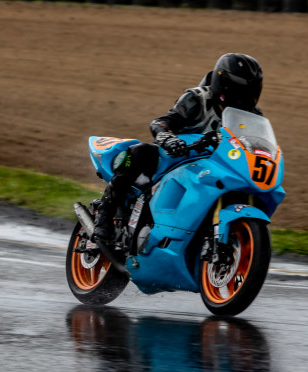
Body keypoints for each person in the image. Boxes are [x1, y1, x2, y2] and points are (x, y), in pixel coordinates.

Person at [92, 53, 264, 243]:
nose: (246, 96)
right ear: (224, 84)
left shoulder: (252, 116)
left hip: (214, 166)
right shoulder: (197, 99)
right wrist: (168, 138)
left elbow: (256, 143)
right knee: (139, 152)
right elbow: (162, 122)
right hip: (177, 156)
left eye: (251, 90)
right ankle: (104, 215)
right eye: (241, 90)